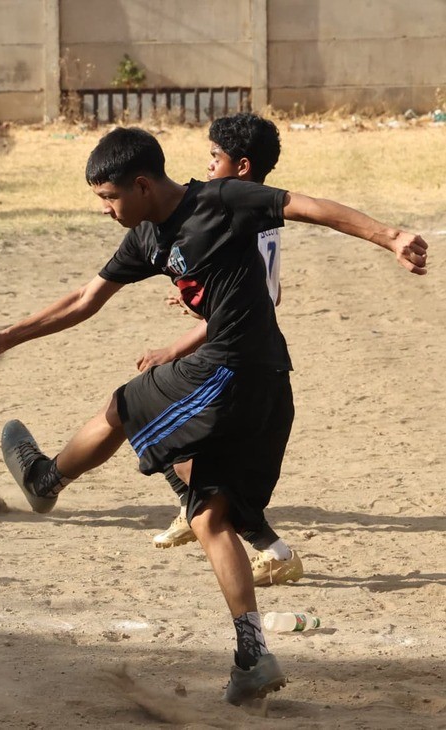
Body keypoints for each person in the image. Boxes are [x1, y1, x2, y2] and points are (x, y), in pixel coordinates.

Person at [0, 127, 427, 704]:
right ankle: (252, 655)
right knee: (210, 516)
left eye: (110, 198)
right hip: (269, 386)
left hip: (229, 374)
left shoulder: (221, 198)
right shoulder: (145, 240)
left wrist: (391, 236)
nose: (108, 210)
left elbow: (309, 207)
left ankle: (46, 479)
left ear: (140, 183)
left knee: (125, 407)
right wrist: (10, 336)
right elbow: (85, 299)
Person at [144, 113, 301, 589]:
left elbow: (249, 304)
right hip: (246, 354)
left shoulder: (237, 217)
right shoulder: (257, 215)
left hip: (238, 359)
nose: (208, 166)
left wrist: (176, 344)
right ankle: (210, 519)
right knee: (179, 439)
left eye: (216, 157)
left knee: (161, 429)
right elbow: (267, 293)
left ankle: (269, 548)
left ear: (243, 167)